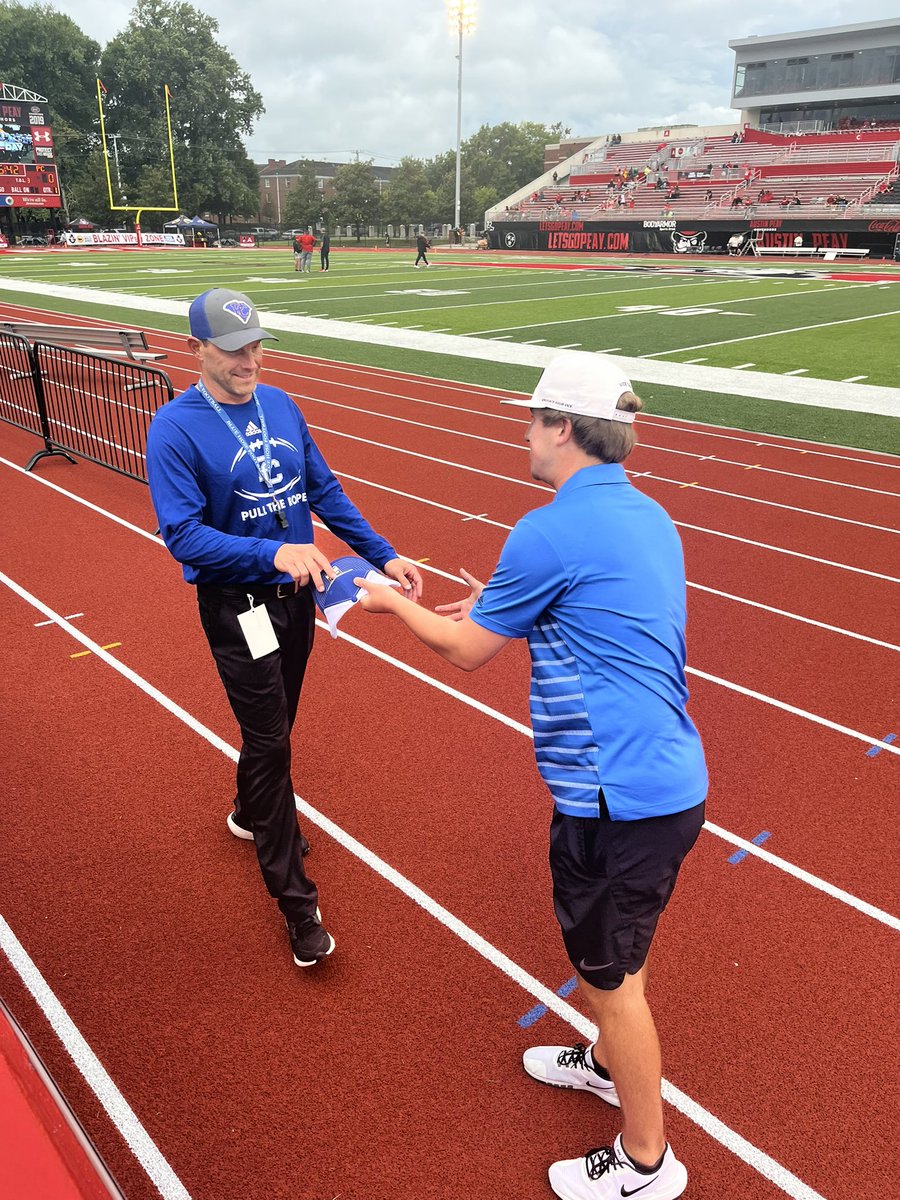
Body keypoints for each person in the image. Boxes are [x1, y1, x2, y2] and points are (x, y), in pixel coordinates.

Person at [353, 352, 708, 1200]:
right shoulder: (649, 513)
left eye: (535, 419)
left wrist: (388, 603)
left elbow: (468, 653)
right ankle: (601, 1064)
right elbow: (594, 614)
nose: (525, 432)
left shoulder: (547, 527)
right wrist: (501, 600)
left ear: (567, 429)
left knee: (614, 980)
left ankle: (647, 1165)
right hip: (660, 784)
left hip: (615, 798)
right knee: (614, 962)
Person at [145, 289, 423, 968]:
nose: (250, 359)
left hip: (298, 597)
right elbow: (182, 537)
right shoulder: (175, 429)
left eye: (257, 344)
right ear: (197, 349)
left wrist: (384, 551)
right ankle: (298, 907)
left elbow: (323, 489)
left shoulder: (282, 405)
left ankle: (248, 810)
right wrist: (271, 552)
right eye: (234, 349)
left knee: (279, 721)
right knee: (271, 740)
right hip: (239, 607)